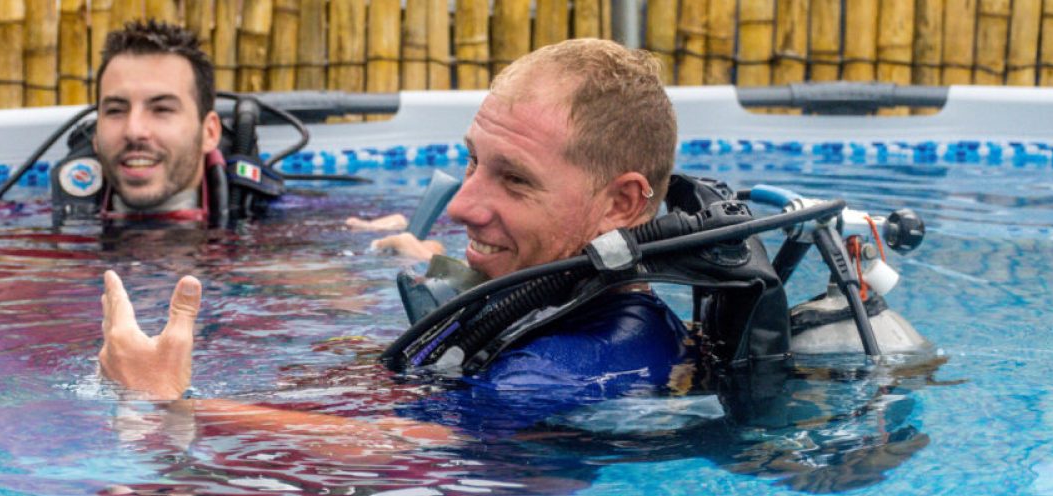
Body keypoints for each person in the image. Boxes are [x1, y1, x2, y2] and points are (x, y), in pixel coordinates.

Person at [96, 38, 693, 447]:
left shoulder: (578, 365)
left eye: (514, 179)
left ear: (620, 203)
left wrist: (168, 403)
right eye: (472, 162)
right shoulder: (556, 298)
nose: (460, 204)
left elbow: (400, 447)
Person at [91, 20, 222, 220]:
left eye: (162, 109)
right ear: (95, 134)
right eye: (116, 110)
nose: (134, 131)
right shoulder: (48, 215)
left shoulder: (270, 215)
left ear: (209, 133)